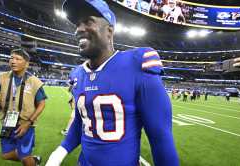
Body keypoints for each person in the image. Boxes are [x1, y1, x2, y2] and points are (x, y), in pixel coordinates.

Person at [45, 0, 179, 166]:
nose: (79, 29)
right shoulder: (77, 74)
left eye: (88, 21)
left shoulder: (137, 64)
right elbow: (82, 122)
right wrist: (60, 151)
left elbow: (161, 138)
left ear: (109, 31)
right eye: (78, 24)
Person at [0, 48, 47, 166]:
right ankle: (33, 160)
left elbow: (42, 104)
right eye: (11, 58)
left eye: (18, 59)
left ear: (26, 64)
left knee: (25, 158)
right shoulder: (2, 77)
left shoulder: (34, 81)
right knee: (6, 154)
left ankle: (29, 160)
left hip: (25, 125)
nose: (13, 61)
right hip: (7, 123)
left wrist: (28, 123)